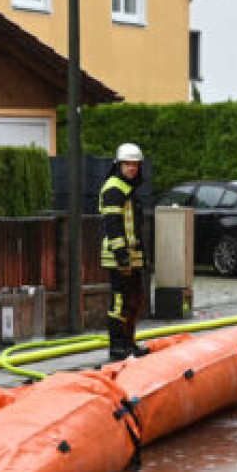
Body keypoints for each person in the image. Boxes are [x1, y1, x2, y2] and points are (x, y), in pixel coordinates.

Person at [100, 142, 150, 361]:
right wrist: (122, 256)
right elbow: (113, 225)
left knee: (134, 300)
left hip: (132, 256)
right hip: (119, 257)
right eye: (128, 164)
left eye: (135, 164)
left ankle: (129, 343)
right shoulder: (113, 189)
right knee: (120, 301)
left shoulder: (127, 188)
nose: (132, 168)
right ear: (118, 165)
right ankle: (117, 346)